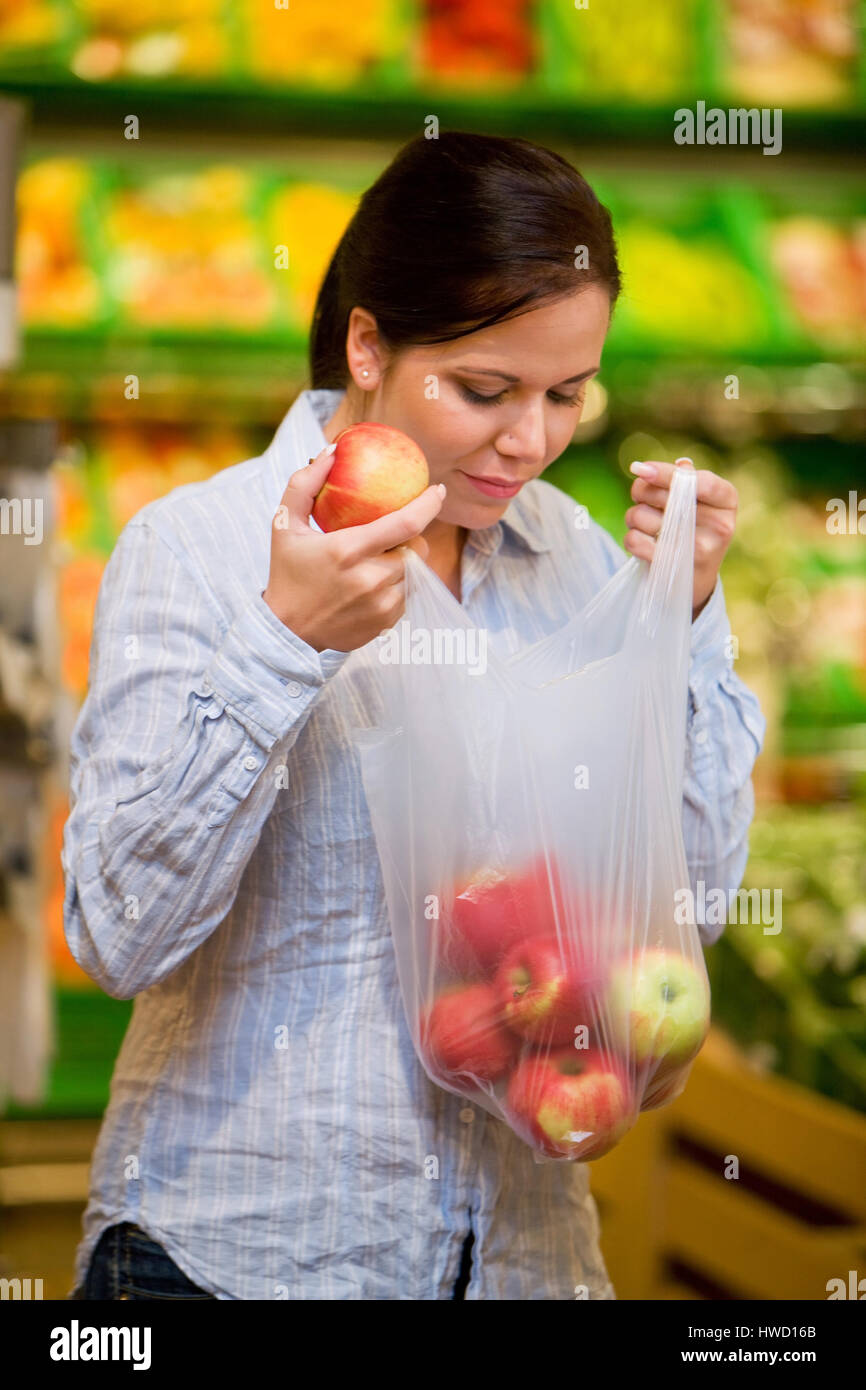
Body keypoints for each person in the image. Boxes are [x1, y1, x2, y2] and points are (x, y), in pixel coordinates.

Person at [63, 130, 764, 1301]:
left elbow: (677, 900)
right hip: (241, 1258)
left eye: (565, 395)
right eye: (485, 391)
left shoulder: (571, 560)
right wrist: (284, 647)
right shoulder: (202, 550)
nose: (528, 441)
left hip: (523, 1262)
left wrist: (677, 624)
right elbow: (115, 933)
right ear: (368, 343)